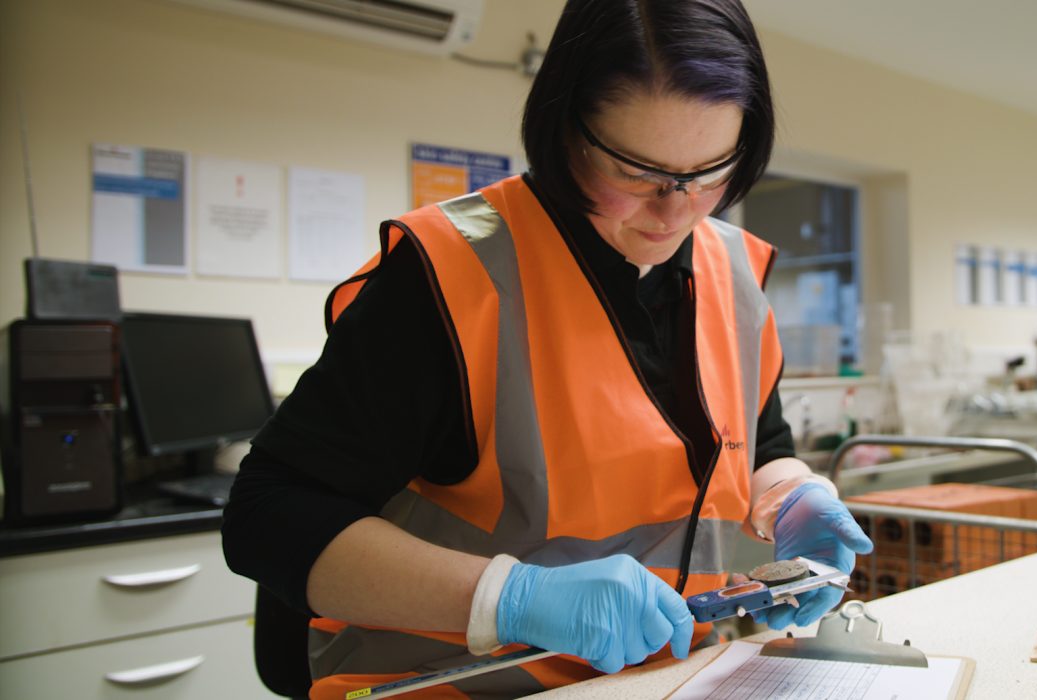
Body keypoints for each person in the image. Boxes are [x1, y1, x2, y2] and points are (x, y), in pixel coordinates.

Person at [222, 0, 873, 697]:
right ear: (566, 132)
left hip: (660, 679)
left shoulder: (735, 272)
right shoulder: (450, 274)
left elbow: (758, 443)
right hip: (455, 684)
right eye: (637, 172)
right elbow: (269, 516)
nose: (677, 210)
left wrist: (791, 494)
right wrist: (509, 598)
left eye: (713, 170)